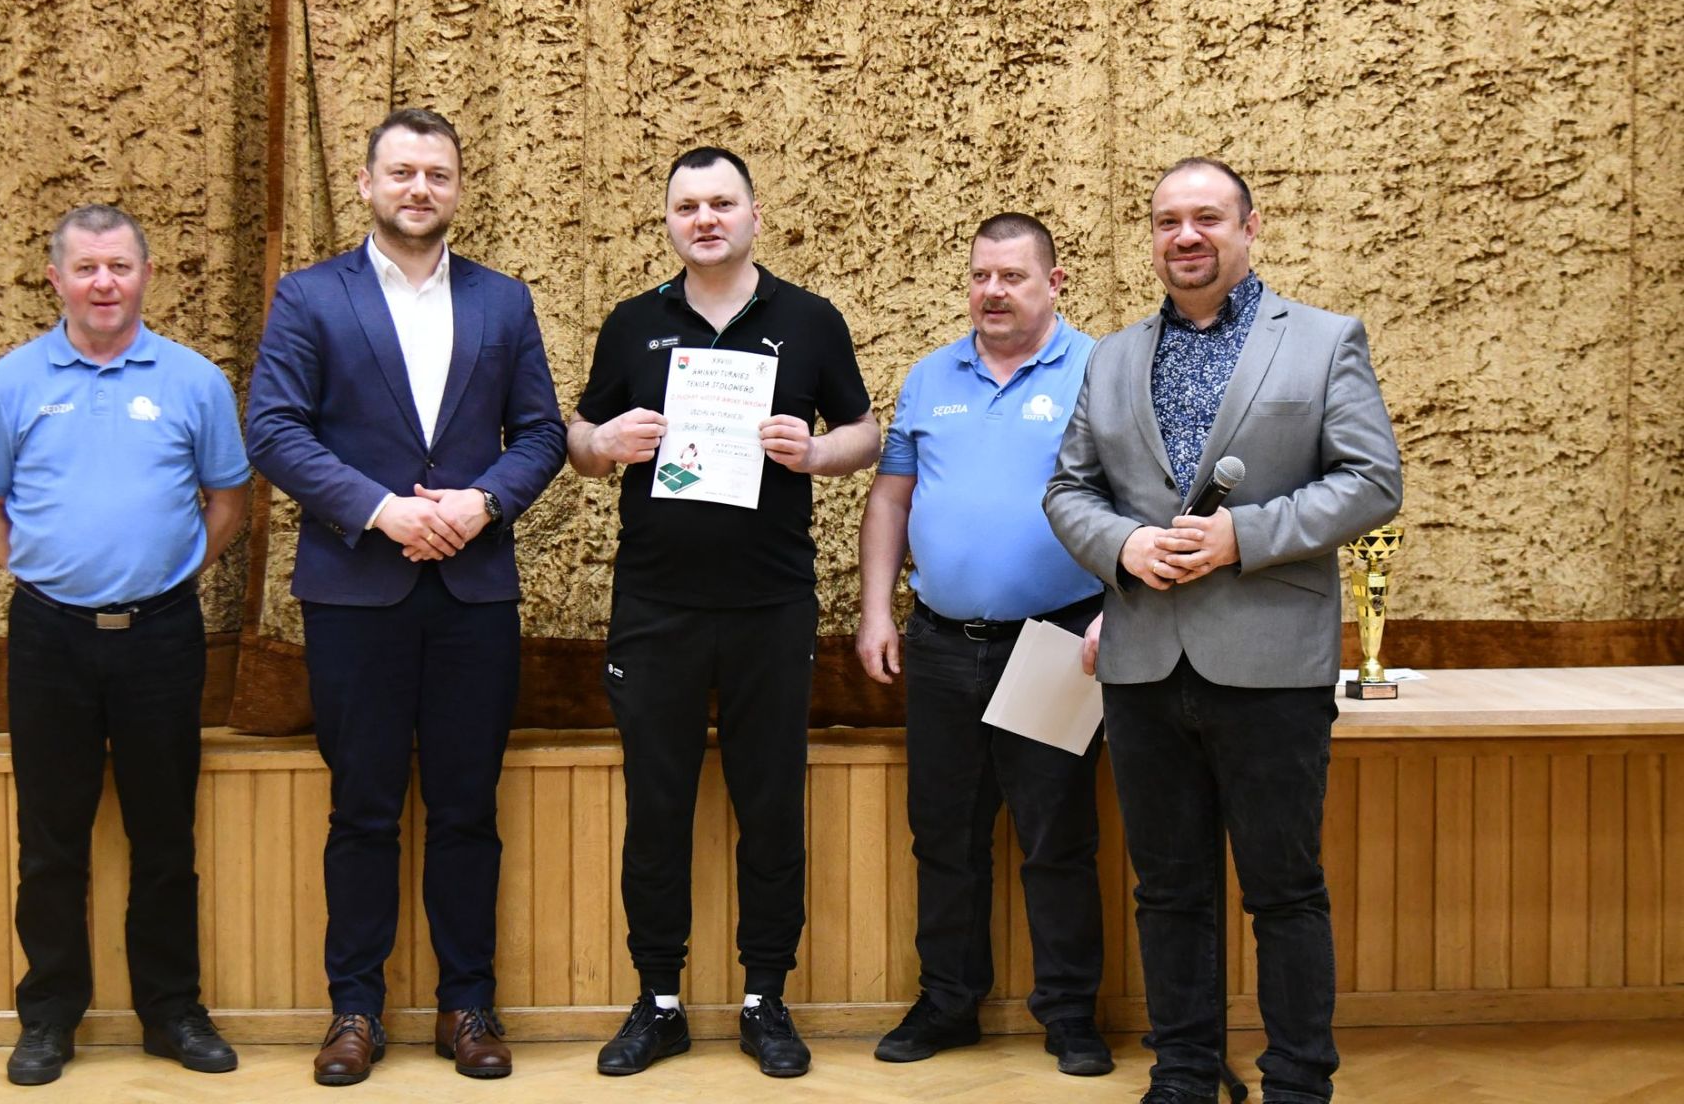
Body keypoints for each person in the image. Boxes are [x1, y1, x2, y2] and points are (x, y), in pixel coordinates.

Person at [1044, 158, 1402, 1104]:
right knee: (1167, 891)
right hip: (1142, 664)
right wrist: (1123, 547)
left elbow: (1372, 482)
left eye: (1207, 217)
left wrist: (1245, 536)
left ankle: (1297, 1081)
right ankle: (1185, 1073)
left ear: (1250, 227)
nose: (1186, 236)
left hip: (1271, 666)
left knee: (1284, 890)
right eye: (1168, 221)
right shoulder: (1111, 357)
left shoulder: (1324, 340)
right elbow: (1068, 491)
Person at [246, 108, 566, 1086]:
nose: (419, 188)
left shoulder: (504, 302)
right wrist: (381, 511)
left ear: (459, 187)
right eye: (401, 172)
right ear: (366, 183)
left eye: (437, 173)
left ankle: (469, 1005)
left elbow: (541, 434)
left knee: (468, 808)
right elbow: (274, 430)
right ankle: (355, 1010)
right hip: (355, 593)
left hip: (473, 594)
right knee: (363, 810)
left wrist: (483, 502)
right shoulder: (310, 297)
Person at [568, 147, 878, 1078]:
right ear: (669, 221)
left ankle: (765, 999)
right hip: (654, 607)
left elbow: (866, 433)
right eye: (687, 206)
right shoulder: (632, 324)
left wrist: (816, 453)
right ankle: (658, 1001)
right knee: (656, 808)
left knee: (771, 805)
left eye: (722, 203)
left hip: (770, 607)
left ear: (753, 215)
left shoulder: (810, 320)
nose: (704, 219)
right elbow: (576, 440)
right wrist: (604, 442)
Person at [0, 204, 248, 1086]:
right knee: (51, 841)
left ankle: (173, 1011)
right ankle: (48, 1017)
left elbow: (228, 503)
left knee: (165, 837)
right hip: (50, 639)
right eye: (86, 268)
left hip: (162, 636)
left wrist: (165, 573)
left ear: (147, 275)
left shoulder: (195, 381)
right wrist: (54, 575)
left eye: (119, 266)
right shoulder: (10, 382)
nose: (104, 283)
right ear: (56, 279)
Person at [856, 213, 1112, 1076]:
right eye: (980, 276)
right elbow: (891, 498)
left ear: (1054, 282)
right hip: (939, 644)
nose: (992, 292)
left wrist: (1123, 606)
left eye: (1012, 276)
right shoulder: (931, 376)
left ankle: (1069, 1014)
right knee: (945, 838)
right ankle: (948, 1003)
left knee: (1055, 839)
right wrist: (876, 610)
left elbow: (1136, 499)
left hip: (1056, 641)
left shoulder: (1099, 371)